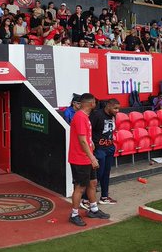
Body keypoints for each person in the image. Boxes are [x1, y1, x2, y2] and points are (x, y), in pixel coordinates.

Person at [67, 93, 109, 226]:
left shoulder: (84, 117)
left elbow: (86, 138)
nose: (95, 105)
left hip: (86, 157)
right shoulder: (80, 117)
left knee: (93, 183)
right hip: (80, 159)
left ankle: (94, 209)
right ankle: (74, 214)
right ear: (91, 104)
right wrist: (92, 158)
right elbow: (82, 141)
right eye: (94, 102)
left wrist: (91, 145)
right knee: (80, 187)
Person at [90, 98, 120, 205]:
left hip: (109, 148)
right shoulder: (97, 115)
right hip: (99, 149)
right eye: (115, 108)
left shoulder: (113, 116)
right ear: (108, 106)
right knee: (97, 175)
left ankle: (104, 196)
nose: (117, 111)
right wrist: (91, 143)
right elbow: (88, 129)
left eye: (118, 109)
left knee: (106, 173)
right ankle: (86, 199)